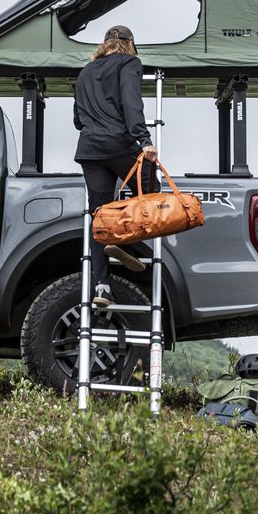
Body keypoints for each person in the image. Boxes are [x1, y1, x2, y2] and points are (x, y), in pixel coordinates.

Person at [74, 24, 159, 307]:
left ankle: (102, 286)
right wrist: (144, 140)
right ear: (130, 44)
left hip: (89, 149)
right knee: (151, 190)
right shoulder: (130, 62)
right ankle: (126, 243)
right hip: (118, 143)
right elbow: (131, 103)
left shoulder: (85, 71)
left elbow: (78, 119)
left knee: (99, 215)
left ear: (105, 44)